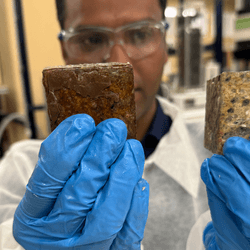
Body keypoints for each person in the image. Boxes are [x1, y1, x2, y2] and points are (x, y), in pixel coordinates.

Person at [1, 0, 250, 249]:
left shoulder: (224, 160)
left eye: (140, 34)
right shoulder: (22, 170)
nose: (120, 62)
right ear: (66, 51)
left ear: (165, 45)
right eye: (91, 39)